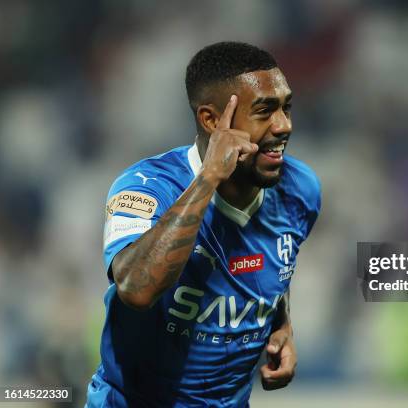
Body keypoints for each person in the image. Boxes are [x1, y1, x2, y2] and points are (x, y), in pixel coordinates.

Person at [85, 41, 321, 407]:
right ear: (212, 121)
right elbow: (134, 288)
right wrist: (208, 180)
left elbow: (276, 261)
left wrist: (280, 323)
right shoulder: (147, 187)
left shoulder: (299, 189)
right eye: (265, 111)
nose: (284, 125)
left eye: (286, 107)